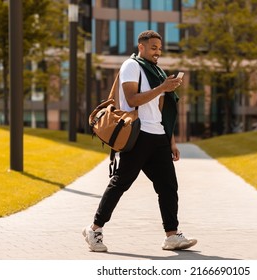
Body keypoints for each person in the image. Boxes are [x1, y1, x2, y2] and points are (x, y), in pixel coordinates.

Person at [82, 30, 197, 252]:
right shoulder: (131, 66)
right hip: (137, 135)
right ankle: (94, 230)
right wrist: (162, 88)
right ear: (141, 46)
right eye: (153, 48)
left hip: (158, 136)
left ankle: (171, 236)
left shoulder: (157, 71)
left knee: (168, 186)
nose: (157, 52)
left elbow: (161, 111)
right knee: (120, 183)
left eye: (160, 49)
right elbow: (133, 98)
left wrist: (171, 140)